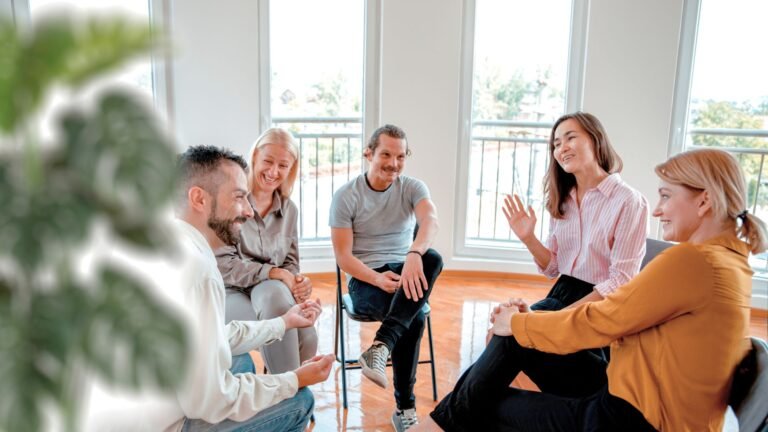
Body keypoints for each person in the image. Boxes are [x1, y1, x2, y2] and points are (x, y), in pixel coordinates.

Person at [418, 148, 765, 431]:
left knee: (481, 402)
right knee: (508, 348)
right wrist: (524, 324)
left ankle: (434, 426)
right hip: (632, 390)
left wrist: (519, 324)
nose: (657, 209)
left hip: (634, 419)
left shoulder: (694, 262)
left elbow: (605, 319)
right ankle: (437, 425)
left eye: (665, 196)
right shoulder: (727, 261)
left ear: (704, 201)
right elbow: (616, 318)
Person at [167, 146, 333, 431]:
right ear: (199, 198)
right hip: (169, 421)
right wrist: (294, 380)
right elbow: (208, 402)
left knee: (240, 359)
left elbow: (213, 336)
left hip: (163, 387)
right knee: (300, 400)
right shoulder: (199, 271)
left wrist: (283, 322)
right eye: (239, 197)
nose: (247, 210)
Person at [330, 124, 443, 431]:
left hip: (406, 269)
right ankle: (405, 409)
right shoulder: (346, 197)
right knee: (415, 317)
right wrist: (378, 280)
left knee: (432, 257)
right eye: (386, 154)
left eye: (401, 156)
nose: (394, 163)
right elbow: (344, 259)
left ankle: (380, 346)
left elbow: (430, 221)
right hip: (366, 278)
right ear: (369, 153)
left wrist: (414, 254)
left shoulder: (412, 187)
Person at [503, 112, 648, 312]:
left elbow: (621, 281)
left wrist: (557, 320)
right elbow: (553, 269)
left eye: (570, 137)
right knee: (503, 329)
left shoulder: (629, 201)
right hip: (561, 293)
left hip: (601, 306)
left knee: (514, 332)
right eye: (556, 144)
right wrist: (529, 238)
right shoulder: (563, 200)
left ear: (596, 140)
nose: (563, 148)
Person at [215, 128, 318, 374]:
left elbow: (291, 262)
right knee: (275, 300)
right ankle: (287, 394)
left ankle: (285, 393)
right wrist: (276, 274)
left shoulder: (289, 210)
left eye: (283, 165)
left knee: (309, 338)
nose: (273, 172)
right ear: (254, 159)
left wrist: (297, 282)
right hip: (232, 292)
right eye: (268, 162)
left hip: (274, 293)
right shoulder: (230, 201)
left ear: (290, 169)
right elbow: (225, 265)